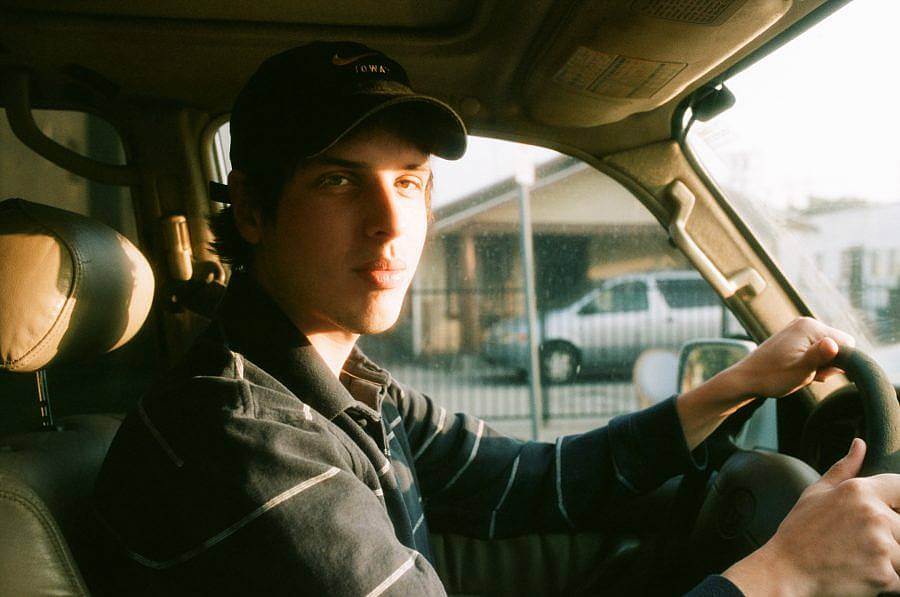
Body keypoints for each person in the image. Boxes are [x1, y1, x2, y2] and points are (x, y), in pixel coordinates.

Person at [93, 41, 900, 596]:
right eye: (340, 182)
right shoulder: (241, 437)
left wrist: (734, 385)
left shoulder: (339, 383)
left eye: (408, 183)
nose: (389, 223)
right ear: (258, 211)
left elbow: (532, 483)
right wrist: (787, 571)